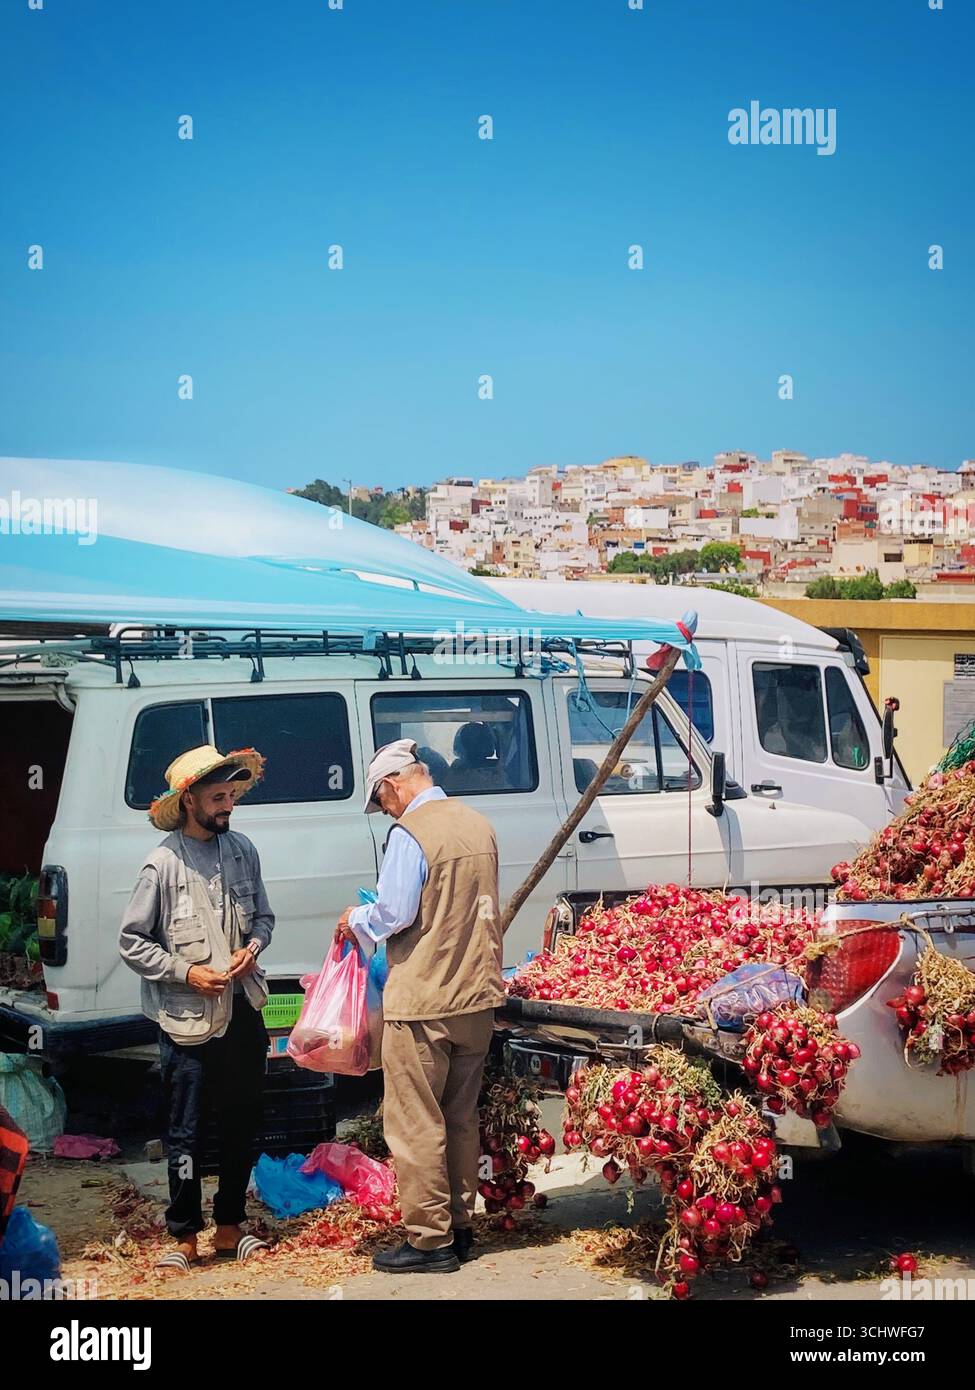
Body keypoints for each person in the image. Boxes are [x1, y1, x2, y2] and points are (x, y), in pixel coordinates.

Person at [336, 738, 503, 1274]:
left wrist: (354, 921)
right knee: (459, 1118)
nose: (383, 808)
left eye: (380, 798)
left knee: (415, 1123)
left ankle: (429, 1242)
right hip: (475, 999)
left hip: (424, 1001)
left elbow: (393, 912)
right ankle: (460, 1227)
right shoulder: (478, 824)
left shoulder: (410, 833)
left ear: (394, 784)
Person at [118, 744, 274, 1272]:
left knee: (241, 1119)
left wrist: (249, 950)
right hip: (186, 1021)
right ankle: (184, 1234)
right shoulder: (160, 865)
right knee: (184, 1130)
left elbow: (265, 921)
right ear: (189, 801)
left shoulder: (244, 850)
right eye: (217, 797)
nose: (227, 805)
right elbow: (132, 942)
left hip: (243, 1012)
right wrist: (188, 973)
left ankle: (231, 1225)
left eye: (231, 795)